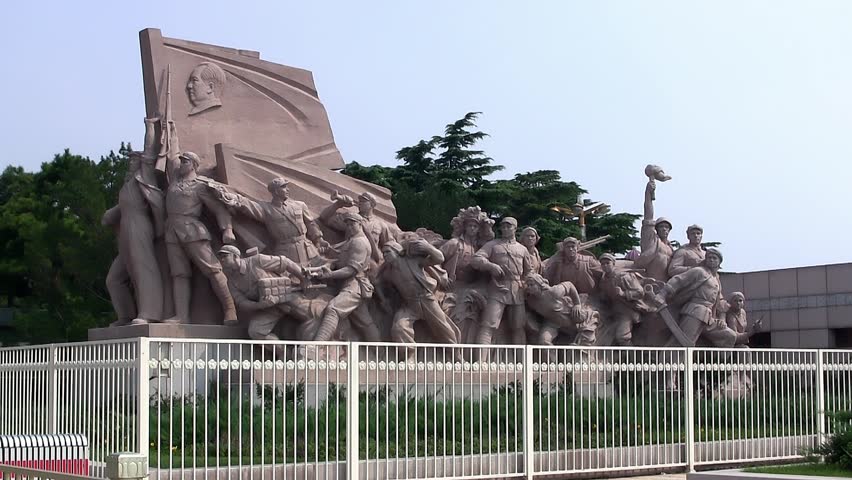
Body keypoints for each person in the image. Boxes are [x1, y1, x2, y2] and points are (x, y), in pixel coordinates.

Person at [162, 122, 237, 324]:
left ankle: (231, 310)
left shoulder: (200, 186)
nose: (181, 163)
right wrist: (172, 132)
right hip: (172, 230)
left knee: (213, 269)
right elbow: (171, 156)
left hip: (192, 230)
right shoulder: (175, 182)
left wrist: (227, 229)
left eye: (185, 161)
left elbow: (218, 208)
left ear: (193, 165)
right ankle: (182, 316)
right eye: (182, 160)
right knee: (179, 274)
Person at [103, 117, 168, 325]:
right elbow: (121, 209)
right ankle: (125, 315)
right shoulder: (128, 185)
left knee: (143, 268)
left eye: (133, 159)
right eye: (130, 159)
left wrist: (150, 126)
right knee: (114, 279)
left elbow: (150, 152)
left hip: (140, 226)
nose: (130, 162)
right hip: (126, 229)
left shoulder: (144, 177)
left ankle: (149, 313)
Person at [655, 248, 757, 347]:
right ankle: (667, 362)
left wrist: (721, 319)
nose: (711, 260)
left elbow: (719, 303)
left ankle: (719, 364)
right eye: (709, 258)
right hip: (695, 312)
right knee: (682, 341)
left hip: (709, 317)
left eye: (714, 258)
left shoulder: (716, 280)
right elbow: (678, 280)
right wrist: (662, 294)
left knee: (729, 336)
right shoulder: (699, 271)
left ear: (719, 262)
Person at [217, 177, 327, 266]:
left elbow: (310, 223)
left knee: (322, 271)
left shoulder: (300, 205)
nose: (288, 190)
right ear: (276, 191)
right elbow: (247, 204)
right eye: (284, 187)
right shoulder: (266, 208)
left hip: (308, 248)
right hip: (285, 251)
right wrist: (230, 197)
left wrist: (319, 239)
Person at [217, 246, 315, 341]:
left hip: (286, 297)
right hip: (268, 308)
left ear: (235, 256)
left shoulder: (257, 260)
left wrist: (303, 279)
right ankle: (283, 353)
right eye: (220, 257)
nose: (222, 260)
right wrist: (260, 305)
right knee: (255, 331)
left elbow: (285, 262)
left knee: (313, 316)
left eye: (225, 256)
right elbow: (241, 302)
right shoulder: (231, 282)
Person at [312, 212, 380, 342]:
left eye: (352, 224)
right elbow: (340, 261)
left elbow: (351, 269)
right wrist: (326, 266)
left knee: (333, 309)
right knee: (365, 322)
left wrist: (329, 275)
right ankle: (380, 353)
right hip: (347, 284)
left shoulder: (359, 242)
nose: (349, 227)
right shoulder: (351, 241)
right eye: (347, 224)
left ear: (360, 224)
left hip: (355, 285)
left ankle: (315, 346)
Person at [378, 239, 460, 344]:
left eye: (388, 252)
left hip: (427, 300)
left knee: (443, 328)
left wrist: (428, 247)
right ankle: (409, 356)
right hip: (410, 305)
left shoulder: (412, 261)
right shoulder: (388, 273)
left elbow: (439, 258)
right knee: (399, 327)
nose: (385, 255)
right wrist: (383, 299)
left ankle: (456, 355)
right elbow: (377, 282)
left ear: (397, 251)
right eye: (383, 252)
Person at [470, 217, 532, 345]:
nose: (505, 229)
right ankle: (480, 363)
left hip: (517, 290)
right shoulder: (492, 245)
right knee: (488, 325)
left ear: (515, 228)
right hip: (498, 288)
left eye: (508, 226)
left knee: (518, 327)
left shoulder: (522, 249)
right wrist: (491, 266)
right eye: (503, 226)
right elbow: (476, 259)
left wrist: (526, 283)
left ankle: (522, 363)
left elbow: (529, 271)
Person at [598, 253, 660, 346]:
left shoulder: (623, 276)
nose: (605, 266)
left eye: (608, 263)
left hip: (627, 311)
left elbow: (640, 292)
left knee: (622, 336)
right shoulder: (604, 280)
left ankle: (631, 357)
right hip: (613, 312)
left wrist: (624, 294)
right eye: (603, 264)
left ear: (613, 263)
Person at [526, 274, 598, 346]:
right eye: (528, 285)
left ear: (539, 284)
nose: (529, 287)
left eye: (532, 285)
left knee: (586, 333)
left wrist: (577, 304)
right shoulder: (531, 301)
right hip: (552, 323)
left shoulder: (553, 292)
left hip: (570, 316)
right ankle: (553, 357)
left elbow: (569, 285)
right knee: (544, 342)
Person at [634, 178, 674, 282]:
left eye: (667, 227)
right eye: (661, 226)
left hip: (668, 285)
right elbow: (648, 215)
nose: (664, 229)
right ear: (656, 229)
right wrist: (648, 194)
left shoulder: (671, 249)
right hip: (651, 282)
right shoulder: (652, 241)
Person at [440, 206, 491, 285]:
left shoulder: (482, 248)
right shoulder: (454, 243)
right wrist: (441, 277)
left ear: (479, 229)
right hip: (452, 284)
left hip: (473, 286)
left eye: (475, 226)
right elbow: (436, 260)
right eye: (470, 225)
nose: (472, 228)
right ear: (465, 227)